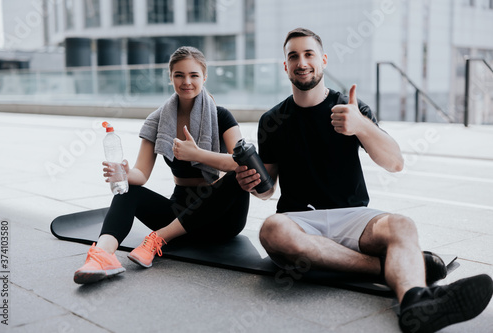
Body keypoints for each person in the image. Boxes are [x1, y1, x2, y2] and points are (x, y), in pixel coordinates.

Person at [235, 27, 493, 333]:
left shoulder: (351, 108)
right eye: (293, 56)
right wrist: (253, 184)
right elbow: (268, 190)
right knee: (272, 230)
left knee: (403, 225)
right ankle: (389, 267)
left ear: (324, 60)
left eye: (309, 54)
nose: (301, 62)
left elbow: (395, 163)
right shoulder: (272, 120)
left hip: (352, 217)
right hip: (298, 221)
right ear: (285, 65)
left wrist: (361, 126)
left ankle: (416, 305)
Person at [74, 46, 249, 284]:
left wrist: (198, 154)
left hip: (221, 219)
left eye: (194, 75)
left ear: (204, 77)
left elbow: (242, 161)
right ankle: (102, 256)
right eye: (179, 75)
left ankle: (158, 238)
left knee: (239, 174)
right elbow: (141, 174)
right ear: (170, 77)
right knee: (128, 191)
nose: (186, 81)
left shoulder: (221, 116)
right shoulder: (158, 120)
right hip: (179, 210)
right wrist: (125, 174)